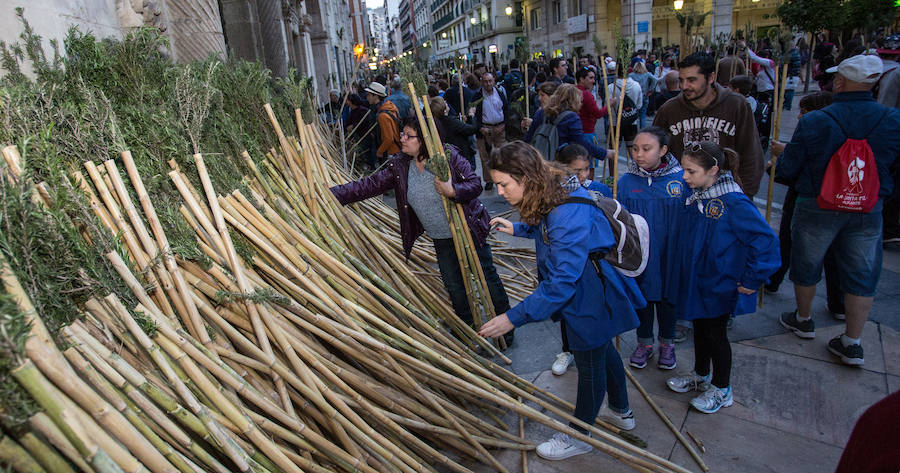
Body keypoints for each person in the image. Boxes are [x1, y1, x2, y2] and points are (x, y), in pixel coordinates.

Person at [479, 141, 644, 459]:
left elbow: (561, 284)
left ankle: (580, 434)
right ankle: (622, 412)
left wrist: (513, 317)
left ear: (525, 178)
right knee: (603, 349)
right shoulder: (552, 189)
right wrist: (518, 227)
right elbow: (545, 223)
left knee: (590, 363)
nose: (499, 193)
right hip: (587, 286)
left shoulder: (567, 212)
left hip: (589, 293)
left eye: (503, 184)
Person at [330, 117, 514, 345]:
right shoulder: (400, 165)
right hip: (440, 237)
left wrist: (452, 190)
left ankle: (506, 325)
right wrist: (333, 194)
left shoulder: (446, 156)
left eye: (408, 135)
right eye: (402, 133)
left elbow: (475, 184)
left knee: (486, 277)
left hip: (467, 230)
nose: (402, 138)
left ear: (425, 139)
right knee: (454, 285)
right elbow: (369, 185)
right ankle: (467, 329)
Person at [773, 54, 900, 366]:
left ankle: (803, 319)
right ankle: (852, 340)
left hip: (817, 204)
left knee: (806, 263)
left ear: (840, 82)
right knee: (863, 271)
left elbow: (788, 169)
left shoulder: (816, 120)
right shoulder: (893, 120)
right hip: (868, 206)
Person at [666, 141, 780, 413]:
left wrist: (753, 279)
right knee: (701, 329)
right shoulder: (699, 194)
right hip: (699, 280)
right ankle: (701, 374)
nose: (684, 177)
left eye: (691, 171)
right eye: (684, 170)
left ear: (713, 169)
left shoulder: (734, 202)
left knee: (716, 334)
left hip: (719, 282)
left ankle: (721, 387)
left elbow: (765, 241)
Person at [765, 92, 845, 323]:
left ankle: (802, 315)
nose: (799, 115)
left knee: (799, 251)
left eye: (804, 110)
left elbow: (788, 170)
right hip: (841, 200)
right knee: (832, 253)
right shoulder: (845, 128)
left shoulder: (813, 127)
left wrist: (778, 160)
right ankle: (837, 303)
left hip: (808, 199)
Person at [617, 127, 685, 371]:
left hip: (670, 253)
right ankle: (644, 342)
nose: (639, 154)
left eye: (647, 149)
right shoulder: (626, 182)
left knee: (668, 299)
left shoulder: (680, 180)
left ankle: (667, 343)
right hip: (641, 255)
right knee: (642, 298)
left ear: (663, 150)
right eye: (635, 148)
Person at [653, 52, 765, 197]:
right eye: (681, 80)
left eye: (691, 80)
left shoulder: (736, 105)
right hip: (680, 194)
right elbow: (655, 153)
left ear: (711, 78)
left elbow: (751, 154)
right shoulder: (669, 110)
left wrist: (744, 195)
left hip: (725, 194)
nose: (684, 86)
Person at [547, 143, 613, 376]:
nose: (584, 176)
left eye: (586, 169)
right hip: (565, 263)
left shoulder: (598, 189)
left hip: (592, 266)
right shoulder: (555, 194)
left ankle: (597, 351)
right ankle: (567, 350)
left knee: (592, 315)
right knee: (567, 310)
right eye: (577, 171)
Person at [523, 84, 610, 160]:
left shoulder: (541, 113)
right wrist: (605, 153)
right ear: (575, 99)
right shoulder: (571, 118)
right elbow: (581, 143)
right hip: (560, 162)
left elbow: (529, 138)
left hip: (539, 159)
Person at [470, 72, 510, 190]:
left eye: (490, 81)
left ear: (494, 81)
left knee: (502, 154)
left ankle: (503, 177)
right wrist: (480, 128)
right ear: (481, 82)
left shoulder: (500, 94)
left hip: (500, 128)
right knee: (485, 156)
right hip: (484, 129)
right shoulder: (477, 96)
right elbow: (472, 114)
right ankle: (488, 180)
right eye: (485, 81)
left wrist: (503, 125)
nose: (488, 84)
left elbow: (506, 110)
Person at [430, 96, 478, 170]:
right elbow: (472, 129)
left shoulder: (437, 122)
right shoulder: (451, 122)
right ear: (444, 109)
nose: (446, 103)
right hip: (461, 156)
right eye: (444, 102)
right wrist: (472, 116)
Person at [606, 61, 642, 157]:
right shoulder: (636, 85)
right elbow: (639, 105)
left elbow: (608, 106)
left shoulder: (610, 88)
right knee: (633, 151)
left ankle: (613, 172)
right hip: (631, 121)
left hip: (614, 122)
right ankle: (635, 171)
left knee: (612, 151)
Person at [575, 66, 608, 167]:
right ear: (581, 79)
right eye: (590, 78)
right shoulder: (586, 95)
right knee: (589, 165)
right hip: (587, 134)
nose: (593, 81)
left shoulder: (572, 92)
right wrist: (609, 106)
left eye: (594, 78)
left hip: (575, 134)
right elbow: (597, 114)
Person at [364, 82, 401, 162]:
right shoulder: (389, 108)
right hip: (395, 149)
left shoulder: (382, 115)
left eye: (369, 95)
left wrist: (380, 151)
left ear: (376, 96)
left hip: (391, 152)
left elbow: (389, 138)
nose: (367, 98)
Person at [628, 61, 658, 129]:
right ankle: (642, 130)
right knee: (643, 115)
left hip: (634, 96)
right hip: (644, 95)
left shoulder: (631, 75)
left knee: (633, 114)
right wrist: (651, 90)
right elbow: (655, 80)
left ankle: (633, 130)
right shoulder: (647, 74)